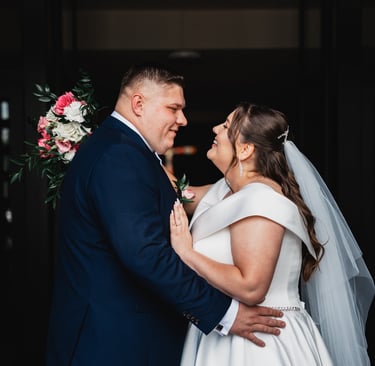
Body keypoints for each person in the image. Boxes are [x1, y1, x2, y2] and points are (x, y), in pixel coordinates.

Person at [45, 66, 287, 366]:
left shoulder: (128, 152)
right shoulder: (119, 157)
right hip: (112, 343)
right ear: (138, 104)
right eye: (174, 108)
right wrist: (224, 313)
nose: (183, 120)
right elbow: (145, 253)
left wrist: (260, 184)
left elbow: (198, 195)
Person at [169, 102, 374, 365]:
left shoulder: (262, 201)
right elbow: (175, 191)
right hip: (224, 333)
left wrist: (186, 253)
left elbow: (252, 287)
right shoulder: (224, 191)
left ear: (245, 149)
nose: (215, 129)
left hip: (260, 341)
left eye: (226, 126)